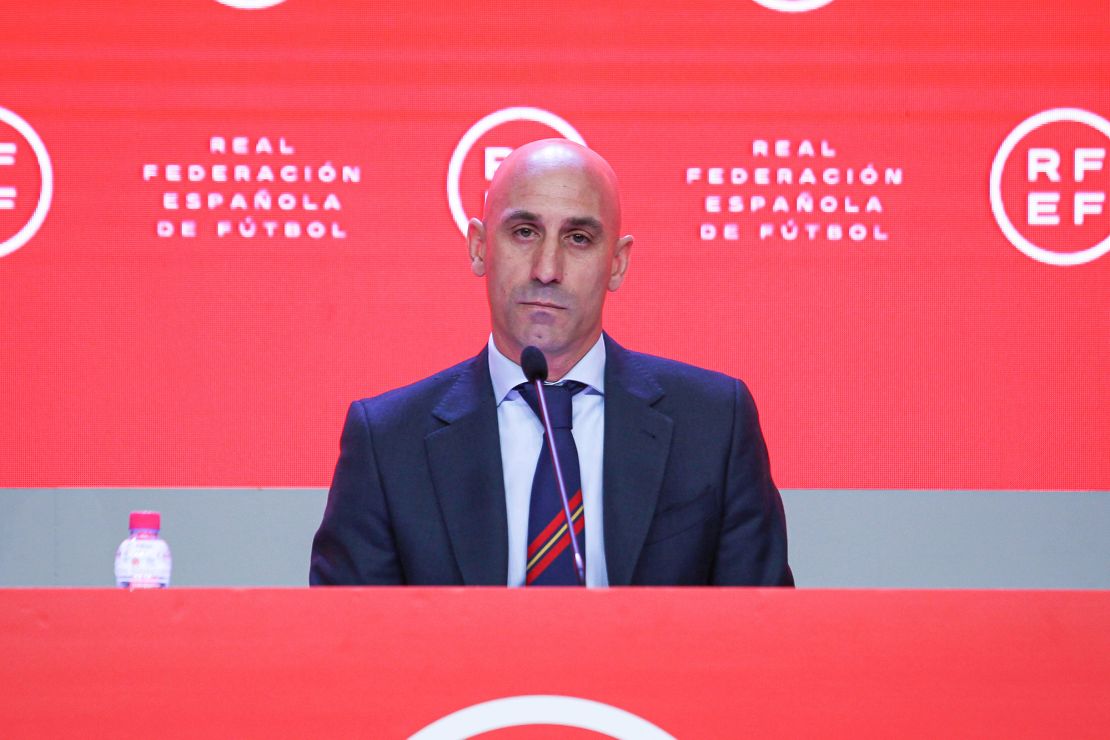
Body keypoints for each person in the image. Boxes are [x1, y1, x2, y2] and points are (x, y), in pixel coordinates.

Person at [310, 139, 792, 587]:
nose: (547, 269)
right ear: (479, 247)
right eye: (524, 232)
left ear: (618, 263)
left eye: (578, 238)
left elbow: (765, 636)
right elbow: (346, 646)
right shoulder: (388, 440)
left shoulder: (713, 424)